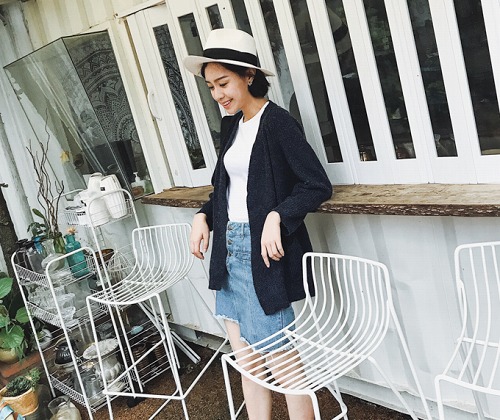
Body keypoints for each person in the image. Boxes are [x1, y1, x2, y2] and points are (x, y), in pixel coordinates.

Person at [184, 28, 332, 420]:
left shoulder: (278, 123)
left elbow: (316, 184)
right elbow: (224, 188)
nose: (218, 94)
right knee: (247, 362)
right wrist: (203, 215)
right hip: (229, 250)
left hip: (261, 256)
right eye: (211, 87)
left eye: (223, 83)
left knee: (284, 367)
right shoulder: (231, 125)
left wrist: (277, 215)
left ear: (249, 75)